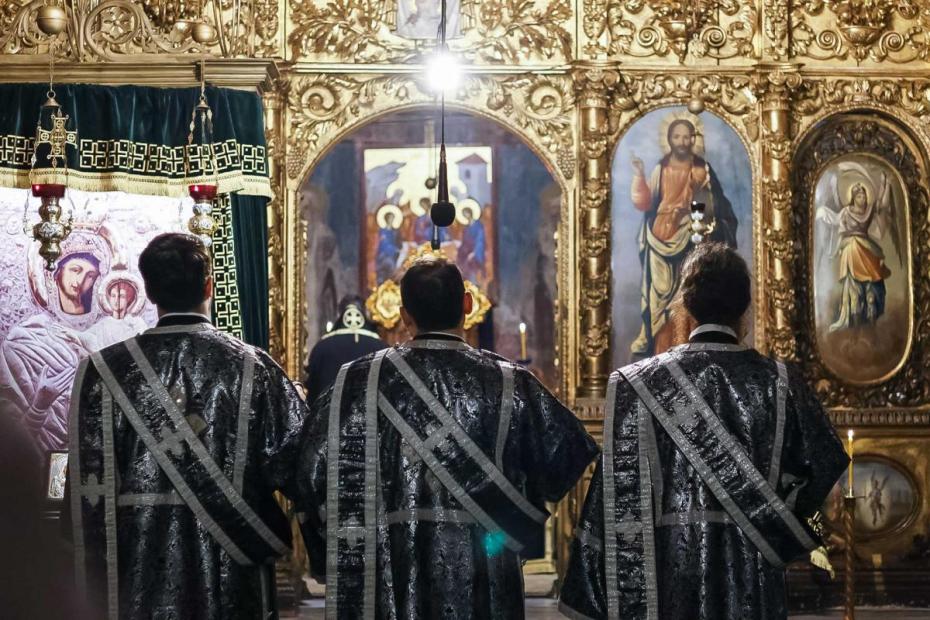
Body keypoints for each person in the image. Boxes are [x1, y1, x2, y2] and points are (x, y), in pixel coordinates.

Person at [294, 256, 598, 618]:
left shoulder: (358, 382)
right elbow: (564, 462)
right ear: (467, 305)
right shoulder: (511, 383)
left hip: (391, 572)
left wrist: (328, 552)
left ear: (404, 316)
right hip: (486, 568)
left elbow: (308, 470)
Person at [560, 243, 849, 620]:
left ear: (686, 307)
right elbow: (825, 461)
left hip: (669, 574)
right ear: (744, 308)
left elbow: (613, 502)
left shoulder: (637, 385)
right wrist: (774, 517)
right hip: (754, 567)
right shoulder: (779, 382)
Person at [67, 233, 307, 619]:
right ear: (209, 286)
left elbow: (85, 497)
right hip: (230, 579)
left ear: (148, 292)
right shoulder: (253, 369)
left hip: (139, 578)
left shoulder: (103, 373)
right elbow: (301, 467)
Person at [630, 118, 738, 357]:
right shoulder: (660, 169)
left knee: (688, 296)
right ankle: (660, 353)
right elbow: (645, 203)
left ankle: (688, 354)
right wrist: (639, 175)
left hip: (691, 236)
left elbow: (712, 206)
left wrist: (699, 207)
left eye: (686, 136)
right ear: (669, 139)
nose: (681, 141)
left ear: (693, 139)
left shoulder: (702, 169)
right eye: (676, 136)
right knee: (659, 303)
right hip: (660, 237)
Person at [303, 295, 387, 404]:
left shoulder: (322, 347)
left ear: (339, 315)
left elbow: (312, 392)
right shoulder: (382, 347)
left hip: (329, 413)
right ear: (365, 314)